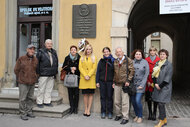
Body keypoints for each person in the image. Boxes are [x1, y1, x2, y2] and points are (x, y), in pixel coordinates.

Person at [14, 44, 38, 120]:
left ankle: (29, 111)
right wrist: (22, 77)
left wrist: (35, 76)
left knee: (30, 98)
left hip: (32, 82)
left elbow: (37, 70)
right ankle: (22, 113)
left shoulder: (35, 59)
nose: (32, 51)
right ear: (27, 50)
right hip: (23, 82)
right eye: (30, 49)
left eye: (33, 49)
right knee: (22, 98)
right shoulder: (21, 59)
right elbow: (16, 70)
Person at [113, 47, 135, 125]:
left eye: (120, 51)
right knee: (116, 101)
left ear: (123, 52)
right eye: (117, 52)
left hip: (125, 84)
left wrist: (128, 80)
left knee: (125, 102)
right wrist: (113, 82)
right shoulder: (115, 61)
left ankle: (125, 117)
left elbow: (132, 71)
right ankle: (118, 115)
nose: (119, 53)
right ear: (115, 54)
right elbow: (114, 72)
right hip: (116, 84)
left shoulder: (128, 60)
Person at [152, 49, 173, 127]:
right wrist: (155, 83)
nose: (162, 55)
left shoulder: (169, 65)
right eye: (161, 54)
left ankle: (161, 121)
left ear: (166, 55)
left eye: (164, 54)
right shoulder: (157, 63)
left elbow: (168, 77)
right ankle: (164, 119)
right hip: (157, 87)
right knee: (160, 103)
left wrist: (160, 86)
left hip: (165, 87)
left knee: (161, 103)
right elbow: (153, 75)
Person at [36, 39, 58, 108]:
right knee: (41, 89)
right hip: (43, 73)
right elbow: (37, 63)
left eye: (51, 43)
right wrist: (38, 73)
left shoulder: (54, 52)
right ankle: (39, 102)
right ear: (45, 44)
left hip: (51, 73)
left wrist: (55, 72)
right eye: (48, 43)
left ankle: (47, 101)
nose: (49, 45)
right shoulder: (40, 52)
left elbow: (56, 62)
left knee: (49, 89)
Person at [131, 49, 149, 123]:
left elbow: (146, 74)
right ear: (134, 55)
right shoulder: (132, 62)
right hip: (133, 85)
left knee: (138, 100)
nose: (138, 55)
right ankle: (137, 115)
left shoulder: (145, 62)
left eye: (139, 54)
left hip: (141, 84)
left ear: (142, 55)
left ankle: (140, 116)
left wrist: (142, 85)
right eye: (136, 54)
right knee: (133, 101)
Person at [96, 47, 115, 119]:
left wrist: (114, 82)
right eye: (105, 52)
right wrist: (97, 81)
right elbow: (98, 72)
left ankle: (110, 112)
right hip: (102, 82)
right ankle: (103, 112)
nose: (106, 53)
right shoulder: (101, 61)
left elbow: (115, 73)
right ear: (103, 53)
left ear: (109, 52)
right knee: (103, 97)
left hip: (110, 82)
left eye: (107, 51)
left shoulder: (113, 61)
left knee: (110, 97)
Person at [79, 44, 97, 117]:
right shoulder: (82, 58)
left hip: (91, 78)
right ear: (85, 50)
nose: (88, 50)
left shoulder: (94, 57)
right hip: (84, 78)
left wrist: (88, 75)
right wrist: (85, 75)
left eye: (90, 49)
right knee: (85, 94)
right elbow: (80, 67)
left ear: (91, 50)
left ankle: (89, 109)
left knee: (91, 94)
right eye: (87, 49)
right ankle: (85, 109)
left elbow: (94, 68)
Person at [62, 45, 80, 114]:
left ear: (76, 51)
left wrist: (75, 69)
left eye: (74, 50)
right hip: (69, 78)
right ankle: (71, 108)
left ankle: (76, 108)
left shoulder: (79, 58)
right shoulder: (67, 58)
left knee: (76, 94)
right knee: (70, 94)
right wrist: (70, 68)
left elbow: (81, 67)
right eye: (72, 50)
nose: (73, 51)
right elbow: (64, 67)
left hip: (77, 77)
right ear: (70, 50)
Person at [145, 47, 160, 121]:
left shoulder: (159, 60)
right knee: (149, 98)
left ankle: (154, 113)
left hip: (156, 80)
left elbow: (160, 71)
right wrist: (147, 81)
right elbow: (145, 71)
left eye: (154, 50)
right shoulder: (146, 60)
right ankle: (150, 113)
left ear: (156, 51)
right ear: (149, 52)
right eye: (151, 50)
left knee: (155, 98)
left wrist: (156, 81)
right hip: (148, 80)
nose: (152, 52)